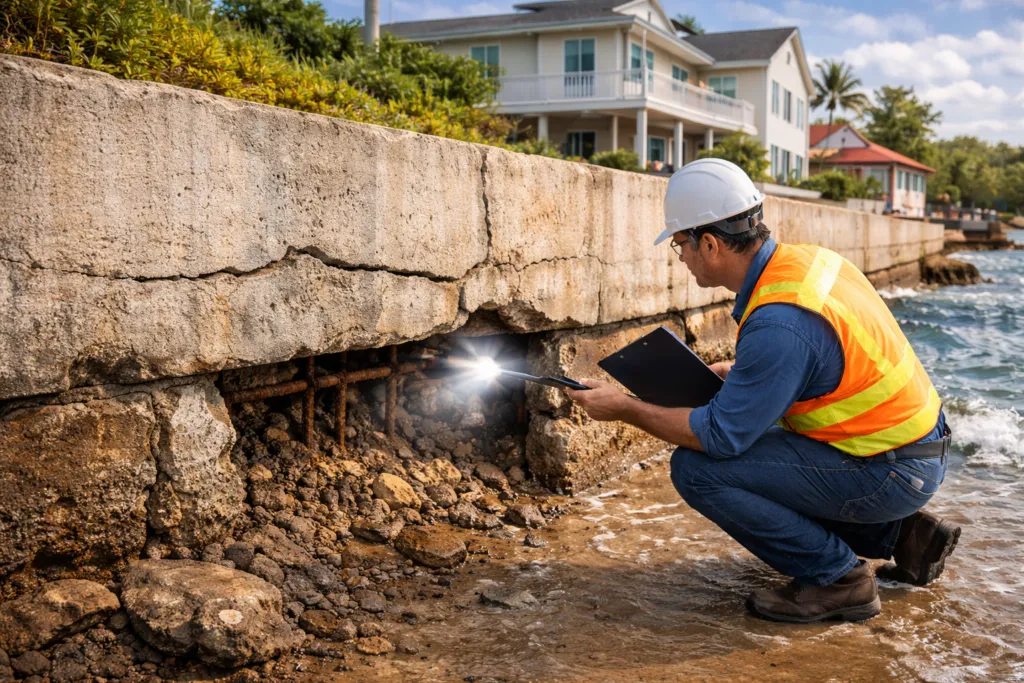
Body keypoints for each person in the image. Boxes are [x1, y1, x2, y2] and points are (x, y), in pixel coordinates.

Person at [565, 158, 960, 624]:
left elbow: (720, 437)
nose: (683, 260)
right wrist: (745, 373)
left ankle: (839, 579)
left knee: (698, 469)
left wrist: (626, 408)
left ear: (709, 244)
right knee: (756, 451)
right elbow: (827, 363)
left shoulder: (780, 322)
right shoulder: (809, 263)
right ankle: (904, 538)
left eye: (680, 247)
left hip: (892, 471)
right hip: (911, 451)